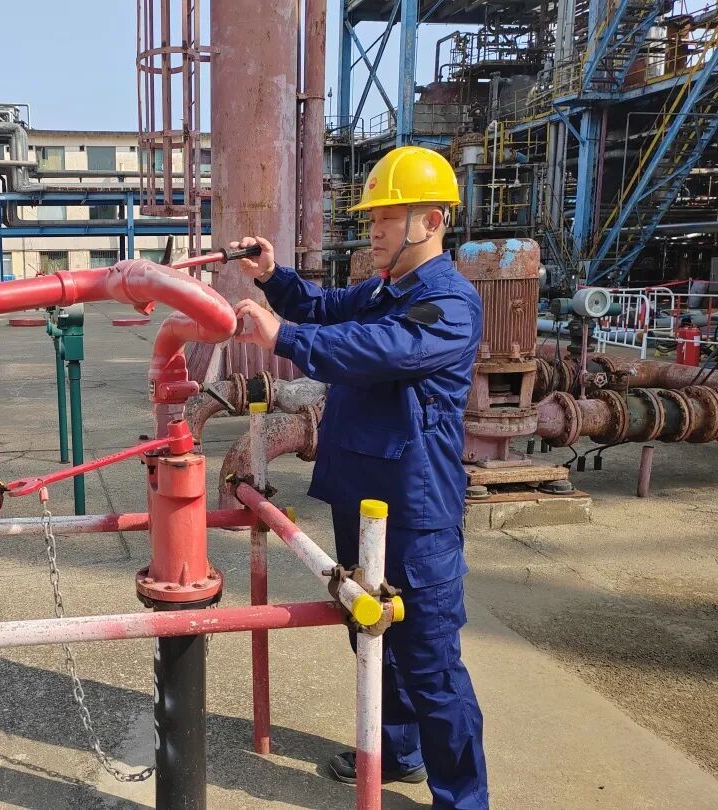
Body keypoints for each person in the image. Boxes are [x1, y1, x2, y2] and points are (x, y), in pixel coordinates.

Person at [230, 146, 489, 809]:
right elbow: (322, 307)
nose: (373, 230)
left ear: (431, 221)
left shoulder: (449, 303)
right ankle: (398, 752)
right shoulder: (382, 290)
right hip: (361, 496)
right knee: (371, 634)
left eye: (386, 217)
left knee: (431, 664)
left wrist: (282, 338)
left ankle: (463, 799)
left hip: (416, 510)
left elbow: (382, 349)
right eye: (371, 218)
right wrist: (274, 277)